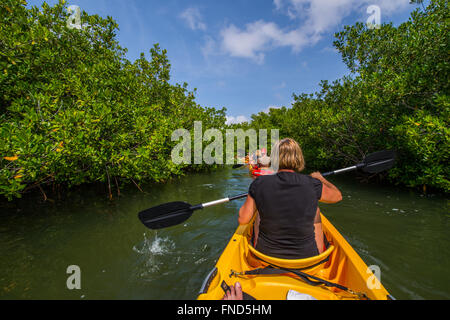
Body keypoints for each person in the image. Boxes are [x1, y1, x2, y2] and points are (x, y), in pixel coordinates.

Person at [238, 138, 342, 260]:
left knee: (258, 212)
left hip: (266, 256)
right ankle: (319, 252)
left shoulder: (259, 183)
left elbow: (243, 220)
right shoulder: (312, 183)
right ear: (299, 157)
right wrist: (320, 179)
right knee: (316, 211)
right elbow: (337, 196)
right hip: (307, 258)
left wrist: (256, 197)